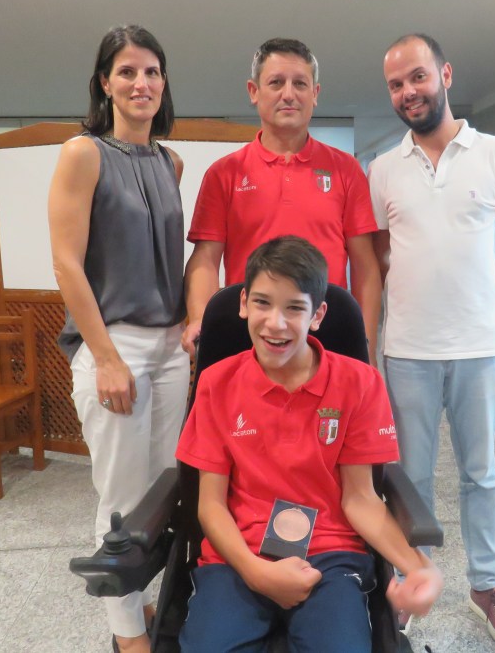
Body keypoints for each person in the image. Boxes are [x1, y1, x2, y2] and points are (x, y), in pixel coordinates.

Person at [175, 236, 443, 652]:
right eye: (262, 303)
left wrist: (417, 566)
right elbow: (210, 505)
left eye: (294, 308)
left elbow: (361, 499)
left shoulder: (359, 384)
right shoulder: (217, 383)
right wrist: (256, 573)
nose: (275, 323)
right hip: (237, 557)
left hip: (330, 556)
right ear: (243, 303)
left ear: (317, 315)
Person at [368, 34, 495, 650]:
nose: (408, 92)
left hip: (479, 348)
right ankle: (412, 580)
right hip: (408, 349)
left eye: (417, 76)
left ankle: (486, 587)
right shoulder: (383, 168)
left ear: (445, 74)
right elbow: (382, 257)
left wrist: (476, 299)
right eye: (395, 84)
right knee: (409, 478)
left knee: (481, 475)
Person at [47, 25, 188, 653]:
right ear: (104, 82)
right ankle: (128, 636)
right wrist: (104, 357)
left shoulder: (170, 162)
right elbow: (66, 263)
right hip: (116, 345)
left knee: (162, 488)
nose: (141, 83)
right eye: (127, 71)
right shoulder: (83, 154)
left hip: (170, 346)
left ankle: (145, 602)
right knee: (121, 498)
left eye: (152, 71)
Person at [181, 38, 382, 363]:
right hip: (250, 334)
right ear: (254, 91)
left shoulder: (346, 170)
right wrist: (200, 319)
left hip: (326, 332)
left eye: (300, 83)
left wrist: (365, 343)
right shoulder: (224, 174)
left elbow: (365, 267)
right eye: (276, 82)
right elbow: (205, 260)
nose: (289, 94)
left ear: (315, 94)